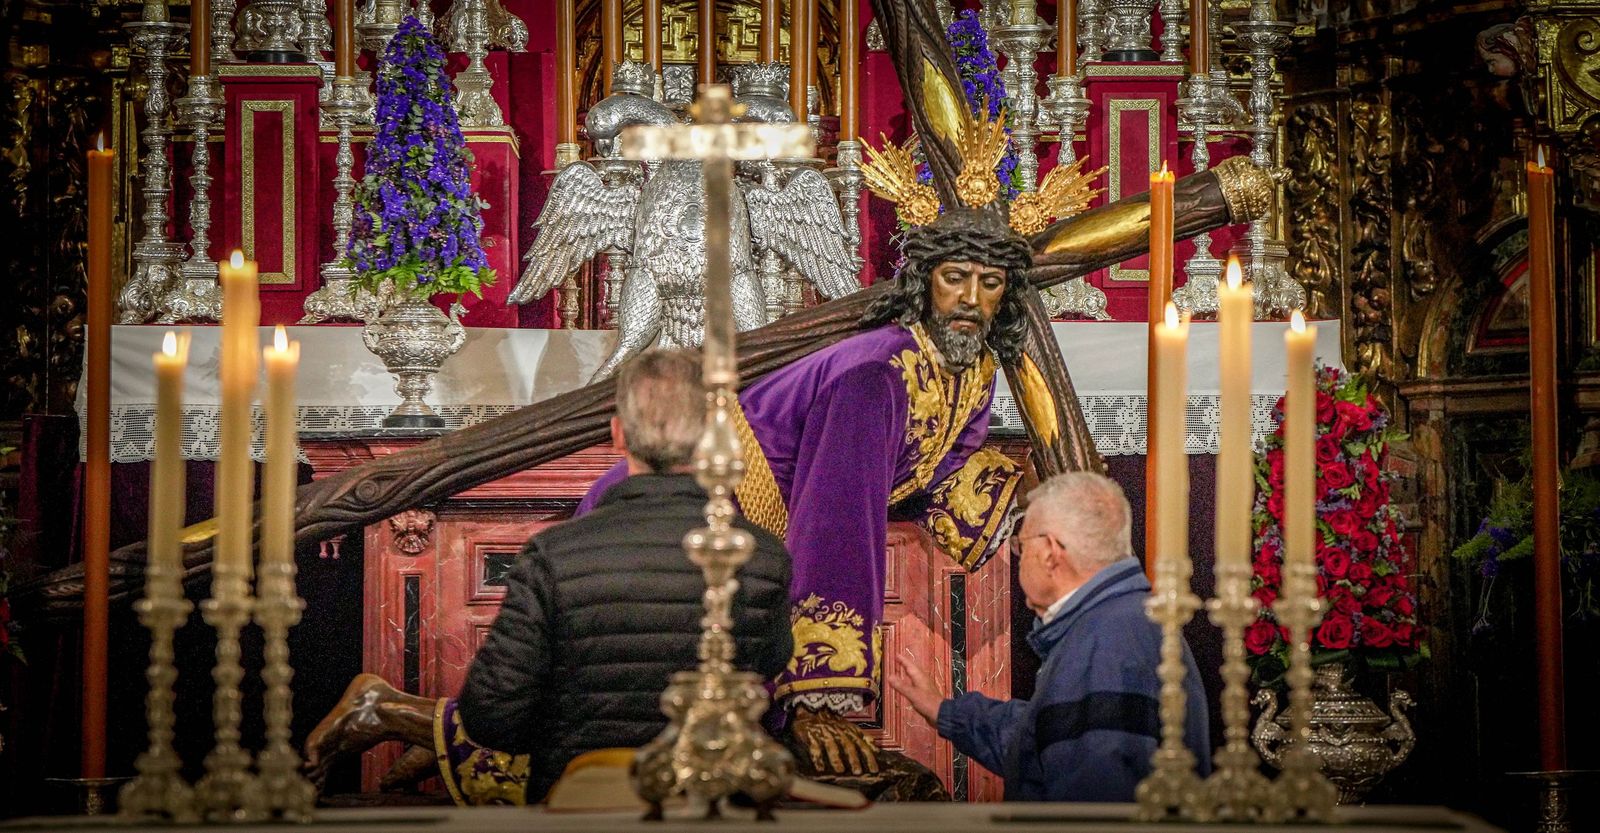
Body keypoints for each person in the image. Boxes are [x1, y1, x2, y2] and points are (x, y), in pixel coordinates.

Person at [575, 208, 1033, 776]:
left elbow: (937, 466)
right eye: (954, 277)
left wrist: (1030, 512)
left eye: (989, 283)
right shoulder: (877, 375)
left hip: (741, 540)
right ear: (924, 283)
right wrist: (819, 697)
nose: (969, 298)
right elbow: (836, 525)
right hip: (679, 517)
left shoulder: (971, 369)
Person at [303, 349, 793, 806]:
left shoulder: (553, 554)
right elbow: (767, 684)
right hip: (718, 806)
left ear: (618, 434)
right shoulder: (764, 556)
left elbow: (490, 717)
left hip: (579, 803)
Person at [889, 472, 1211, 802]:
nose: (1019, 557)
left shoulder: (1106, 642)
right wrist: (946, 711)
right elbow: (1041, 745)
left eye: (1020, 546)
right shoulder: (1113, 625)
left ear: (1049, 552)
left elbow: (1093, 807)